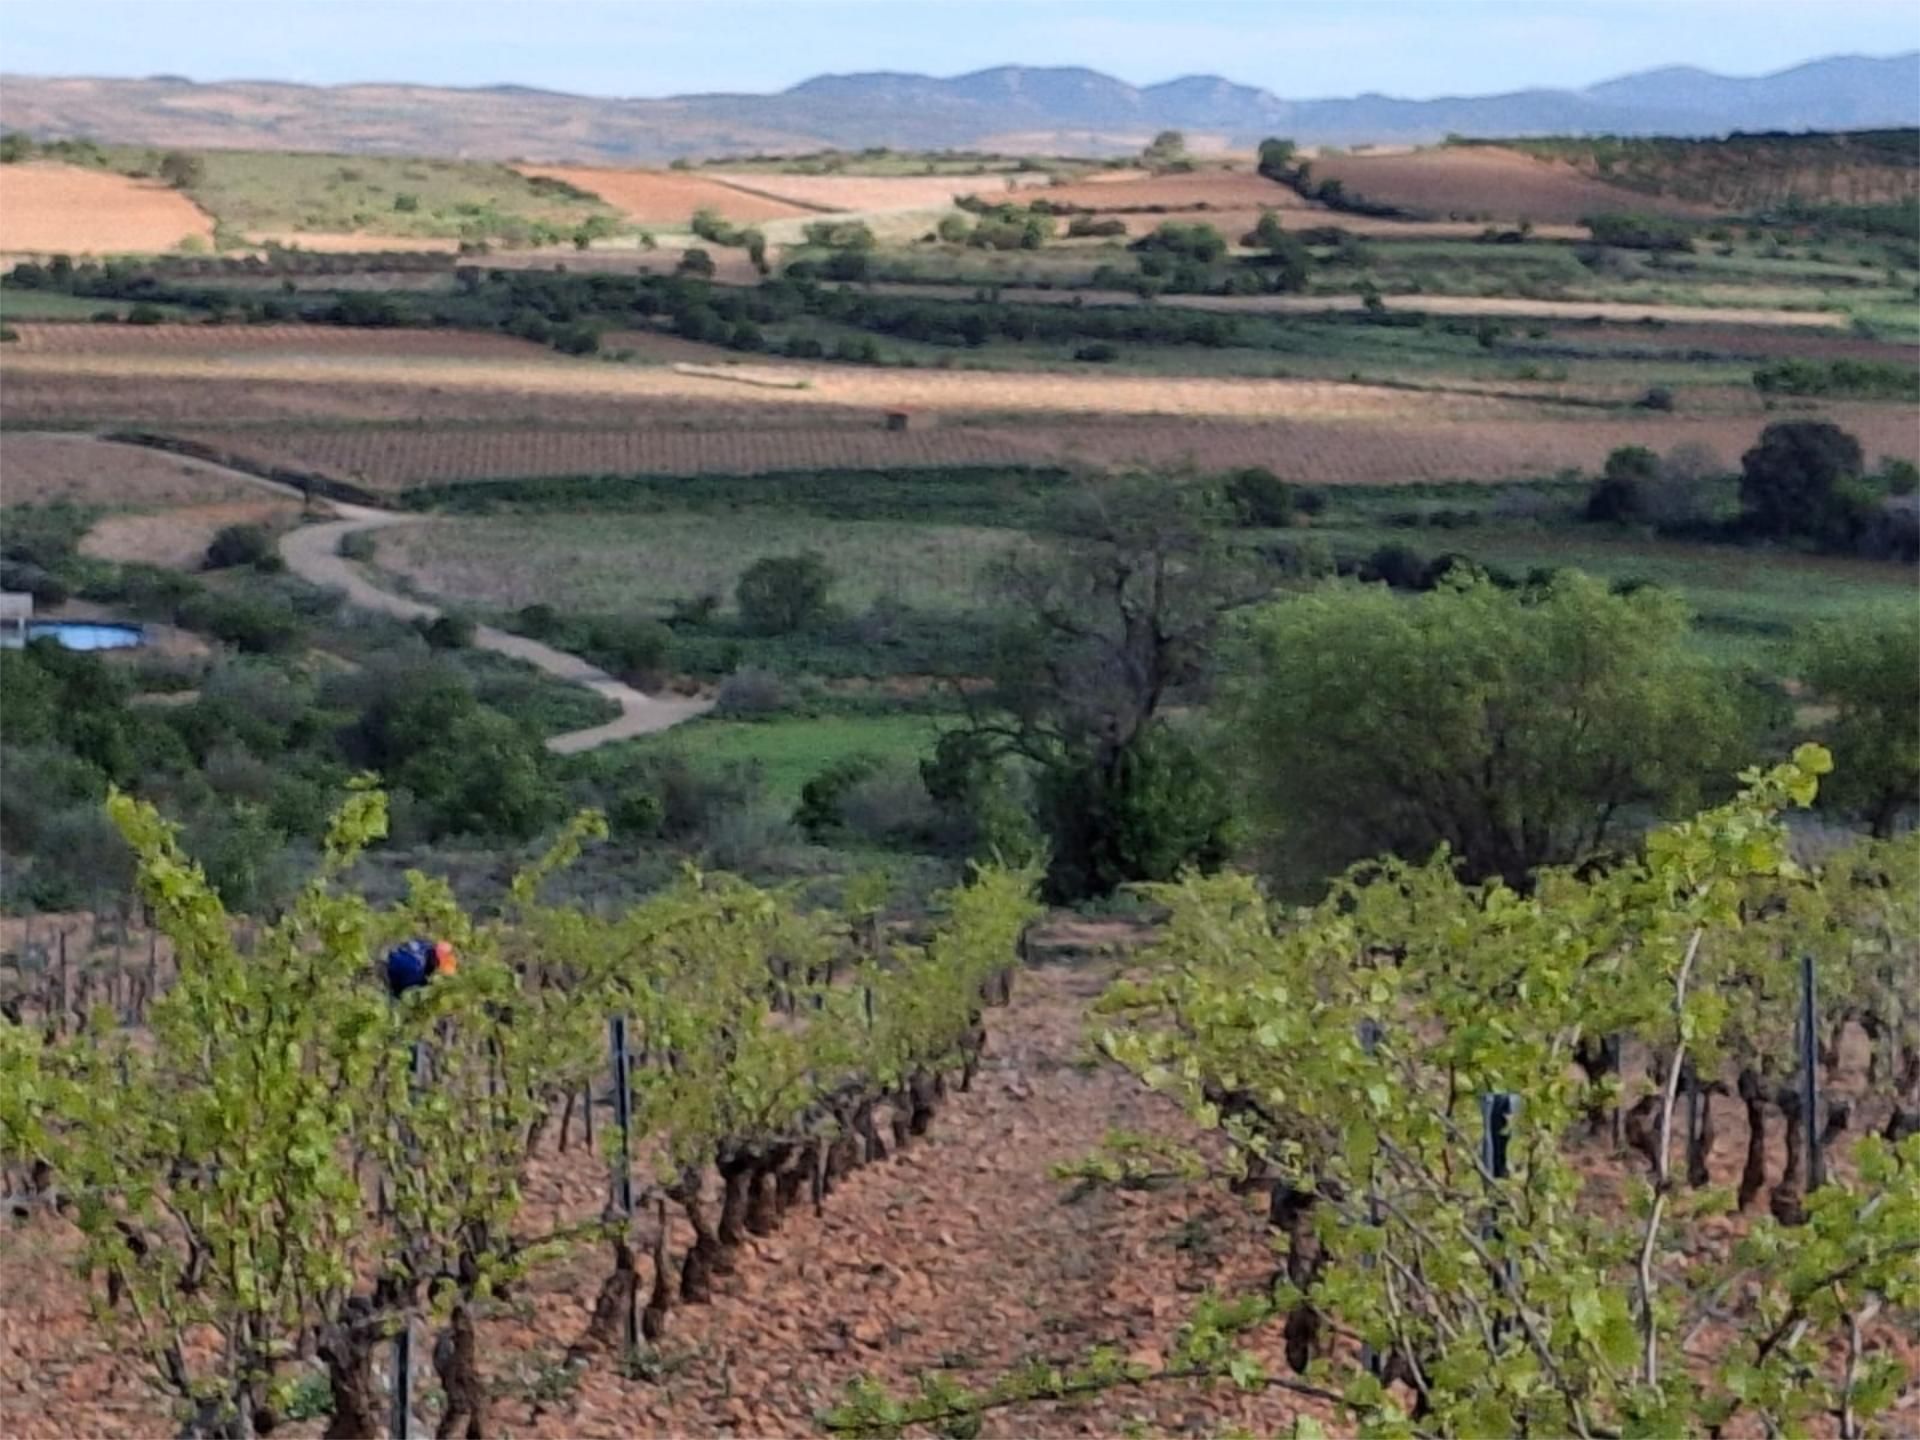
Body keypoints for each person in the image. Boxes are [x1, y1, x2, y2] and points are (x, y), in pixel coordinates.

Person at [385, 937, 457, 998]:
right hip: (391, 972)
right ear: (435, 961)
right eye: (438, 966)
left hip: (395, 954)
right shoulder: (417, 971)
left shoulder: (426, 944)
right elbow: (398, 989)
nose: (437, 969)